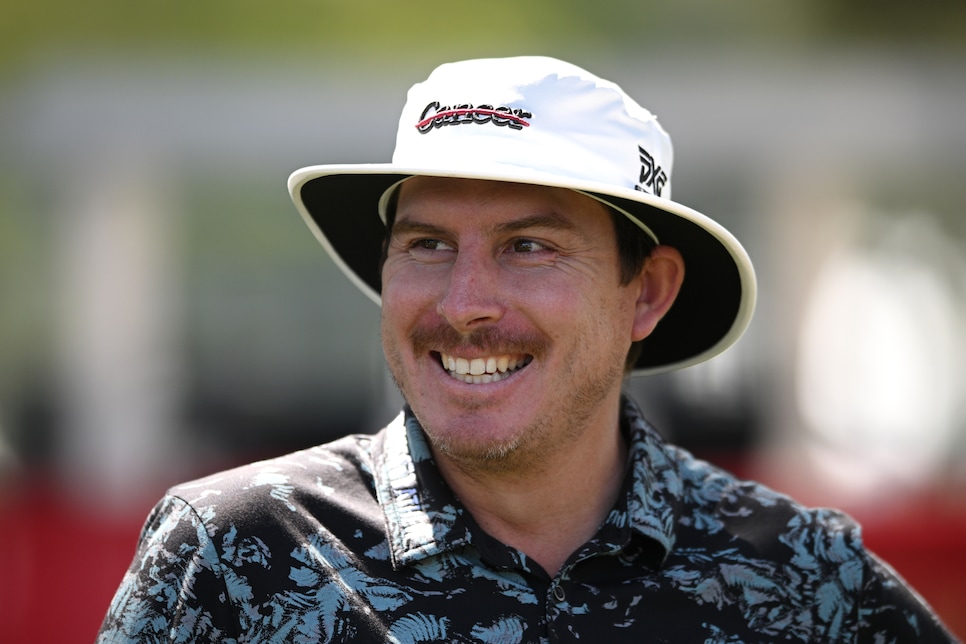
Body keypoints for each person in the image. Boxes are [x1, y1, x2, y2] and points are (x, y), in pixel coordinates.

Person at [97, 56, 957, 643]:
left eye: (529, 247)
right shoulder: (232, 551)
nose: (464, 305)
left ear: (647, 292)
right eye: (427, 244)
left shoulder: (804, 578)